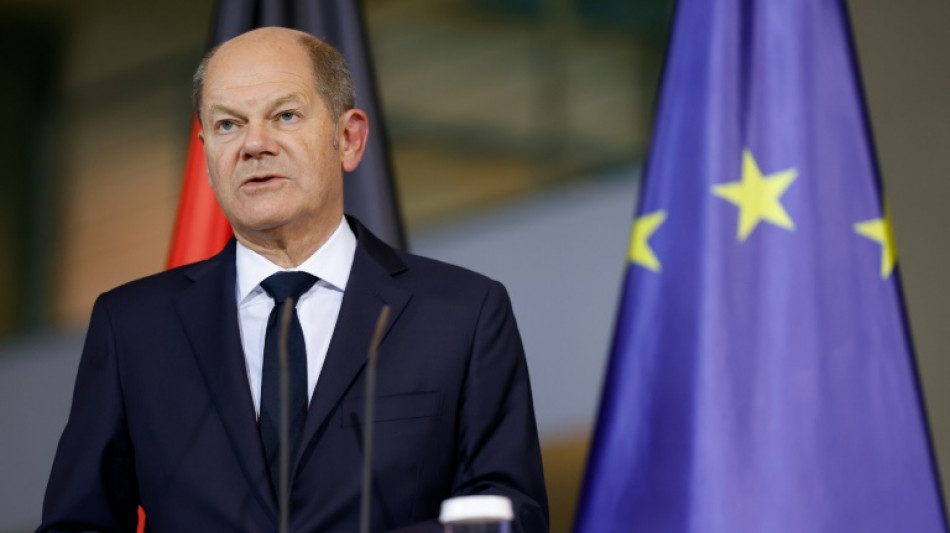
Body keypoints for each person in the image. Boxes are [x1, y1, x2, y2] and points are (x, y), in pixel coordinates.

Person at [38, 27, 548, 533]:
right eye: (228, 125)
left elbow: (510, 515)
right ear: (207, 157)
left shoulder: (462, 313)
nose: (254, 144)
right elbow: (77, 525)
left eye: (285, 115)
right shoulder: (134, 328)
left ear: (348, 139)